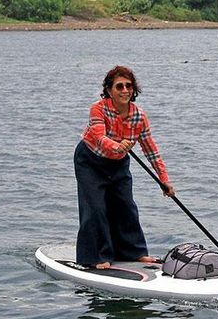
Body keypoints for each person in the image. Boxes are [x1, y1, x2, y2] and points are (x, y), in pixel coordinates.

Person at [74, 65, 175, 269]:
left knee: (126, 206)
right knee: (95, 208)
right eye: (119, 86)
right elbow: (99, 137)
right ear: (109, 90)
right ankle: (94, 256)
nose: (125, 90)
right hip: (90, 161)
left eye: (129, 86)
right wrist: (118, 145)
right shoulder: (98, 109)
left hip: (118, 164)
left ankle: (133, 251)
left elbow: (150, 150)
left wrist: (164, 180)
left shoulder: (139, 116)